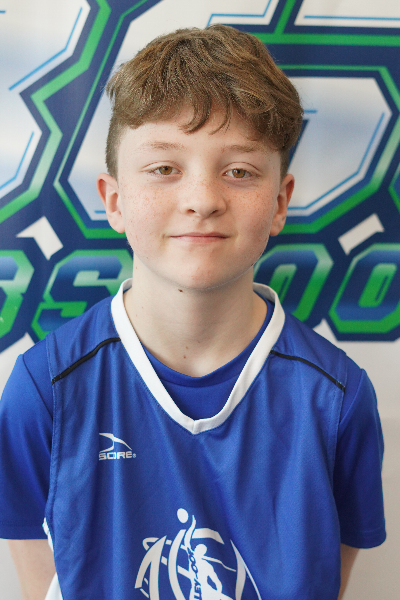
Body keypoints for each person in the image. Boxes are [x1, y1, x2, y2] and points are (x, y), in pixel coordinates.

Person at [0, 25, 385, 600]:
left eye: (239, 171)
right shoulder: (45, 389)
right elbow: (41, 577)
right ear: (114, 200)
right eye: (164, 168)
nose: (203, 199)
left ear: (280, 203)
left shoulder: (337, 399)